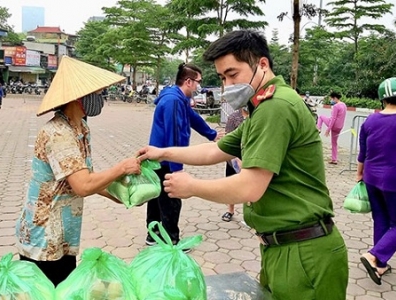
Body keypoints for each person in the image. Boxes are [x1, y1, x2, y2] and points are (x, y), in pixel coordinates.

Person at [137, 30, 348, 300]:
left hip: (304, 251)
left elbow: (250, 187)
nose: (227, 85)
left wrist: (192, 186)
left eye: (233, 74)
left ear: (261, 64)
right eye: (223, 77)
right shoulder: (262, 107)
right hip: (284, 247)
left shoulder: (276, 107)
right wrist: (162, 151)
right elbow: (216, 150)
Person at [15, 56, 141, 287]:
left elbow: (88, 178)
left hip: (64, 233)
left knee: (64, 288)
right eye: (96, 93)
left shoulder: (80, 128)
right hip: (45, 237)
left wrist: (124, 196)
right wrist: (122, 167)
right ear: (78, 98)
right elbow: (83, 186)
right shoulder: (58, 133)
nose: (100, 99)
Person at [145, 62, 220, 251]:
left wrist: (211, 134)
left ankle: (153, 235)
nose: (199, 87)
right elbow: (174, 136)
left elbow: (192, 117)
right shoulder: (173, 101)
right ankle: (171, 241)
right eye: (198, 82)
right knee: (171, 197)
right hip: (166, 158)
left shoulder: (179, 97)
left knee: (158, 195)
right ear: (188, 81)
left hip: (161, 156)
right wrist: (177, 169)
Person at [357, 77, 396, 286]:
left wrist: (358, 175)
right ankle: (374, 255)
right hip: (394, 179)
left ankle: (380, 264)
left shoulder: (371, 120)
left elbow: (363, 152)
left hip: (371, 177)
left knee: (381, 218)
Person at [221, 107, 248, 222]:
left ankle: (251, 213)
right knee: (231, 185)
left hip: (252, 157)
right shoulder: (234, 117)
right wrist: (236, 159)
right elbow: (227, 140)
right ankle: (230, 210)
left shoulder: (258, 115)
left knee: (251, 186)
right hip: (234, 157)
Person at [316, 91, 347, 164]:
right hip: (339, 126)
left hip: (333, 125)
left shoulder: (336, 106)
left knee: (321, 117)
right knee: (334, 143)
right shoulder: (344, 105)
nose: (331, 100)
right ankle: (334, 159)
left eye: (332, 99)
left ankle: (318, 128)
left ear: (335, 98)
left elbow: (333, 119)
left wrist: (328, 129)